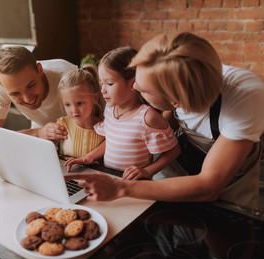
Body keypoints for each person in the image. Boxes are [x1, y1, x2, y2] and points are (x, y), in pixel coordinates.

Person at [65, 32, 264, 209]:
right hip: (187, 163)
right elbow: (167, 121)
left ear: (176, 101)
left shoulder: (246, 98)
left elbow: (208, 186)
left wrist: (121, 188)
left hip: (231, 184)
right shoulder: (178, 82)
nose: (134, 90)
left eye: (141, 90)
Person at [65, 46, 180, 180]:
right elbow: (111, 140)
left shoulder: (147, 117)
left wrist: (147, 171)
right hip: (110, 178)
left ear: (132, 83)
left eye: (109, 83)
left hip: (135, 184)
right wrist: (88, 157)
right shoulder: (109, 109)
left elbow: (173, 151)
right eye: (101, 83)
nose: (103, 90)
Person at [0, 46, 77, 144]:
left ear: (39, 70)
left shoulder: (68, 76)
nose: (28, 99)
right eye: (15, 94)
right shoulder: (1, 86)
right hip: (41, 134)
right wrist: (37, 133)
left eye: (31, 85)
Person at [56, 64, 105, 158]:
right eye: (67, 105)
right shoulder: (62, 125)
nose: (74, 110)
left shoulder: (105, 127)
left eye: (79, 103)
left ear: (95, 98)